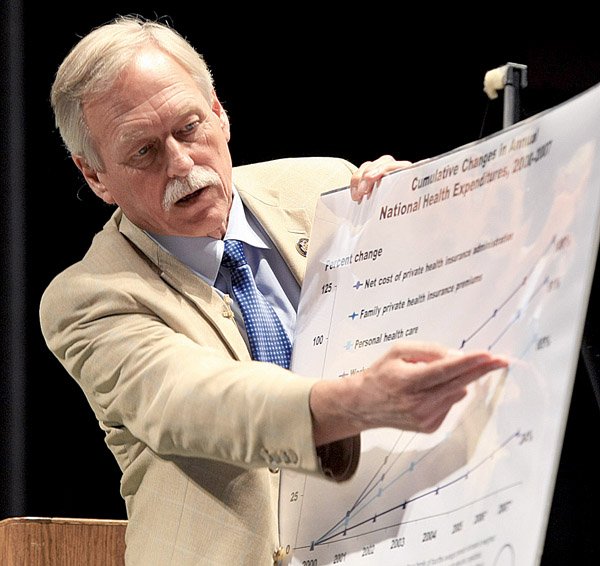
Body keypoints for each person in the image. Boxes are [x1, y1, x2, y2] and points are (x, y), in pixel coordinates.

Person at [39, 15, 509, 565]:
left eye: (189, 127)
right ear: (95, 176)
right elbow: (198, 400)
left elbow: (438, 314)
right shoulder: (87, 298)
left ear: (220, 112)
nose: (182, 164)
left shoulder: (324, 191)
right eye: (143, 152)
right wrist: (359, 404)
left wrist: (431, 216)